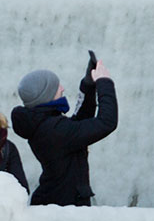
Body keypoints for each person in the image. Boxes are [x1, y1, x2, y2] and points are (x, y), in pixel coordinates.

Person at [11, 53, 117, 206]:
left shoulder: (46, 125)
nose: (62, 88)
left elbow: (78, 123)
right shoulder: (54, 130)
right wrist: (104, 83)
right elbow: (106, 122)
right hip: (62, 209)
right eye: (56, 86)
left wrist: (88, 85)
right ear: (45, 95)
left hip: (57, 201)